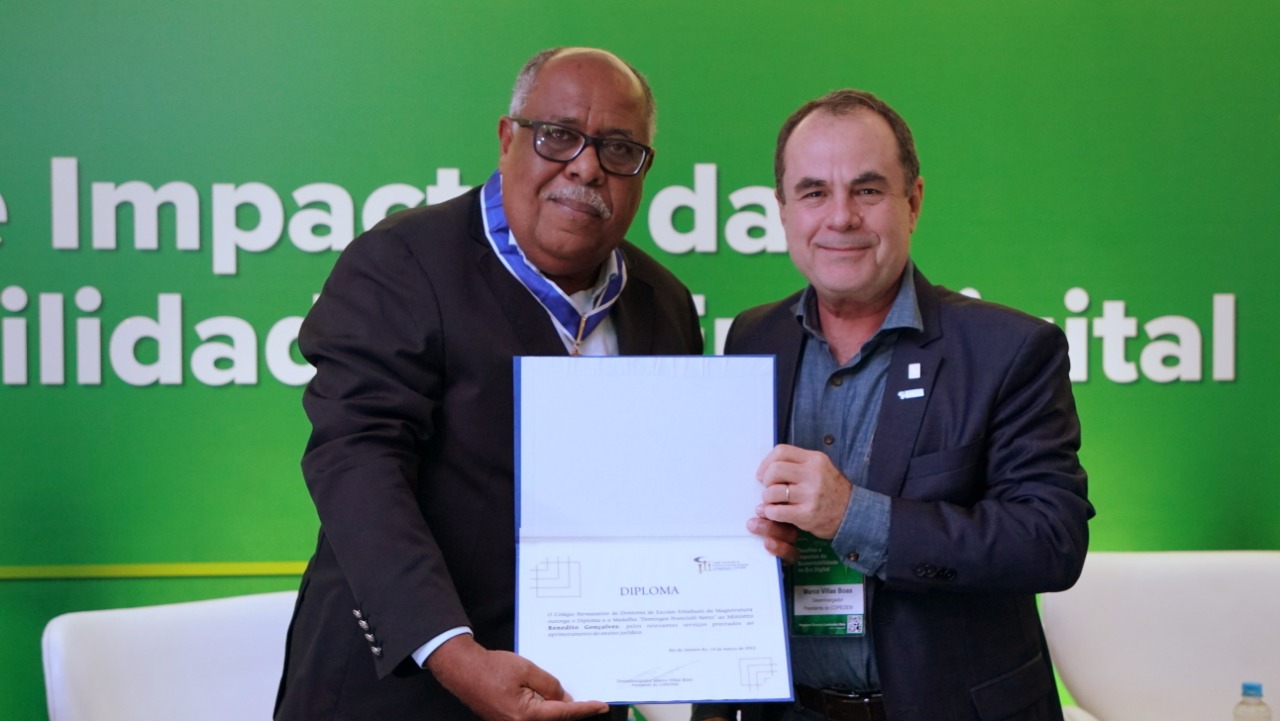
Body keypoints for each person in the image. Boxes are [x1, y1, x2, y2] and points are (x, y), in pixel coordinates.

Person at [274, 47, 703, 721]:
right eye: (558, 135)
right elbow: (358, 462)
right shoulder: (400, 263)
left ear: (643, 171)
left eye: (619, 149)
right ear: (507, 139)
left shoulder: (663, 303)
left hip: (578, 700)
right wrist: (454, 653)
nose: (586, 166)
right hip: (400, 694)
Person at [698, 90, 1093, 721]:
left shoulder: (1010, 349)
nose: (841, 217)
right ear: (782, 210)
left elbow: (1050, 541)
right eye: (813, 192)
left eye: (868, 190)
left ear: (913, 201)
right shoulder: (752, 339)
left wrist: (852, 515)